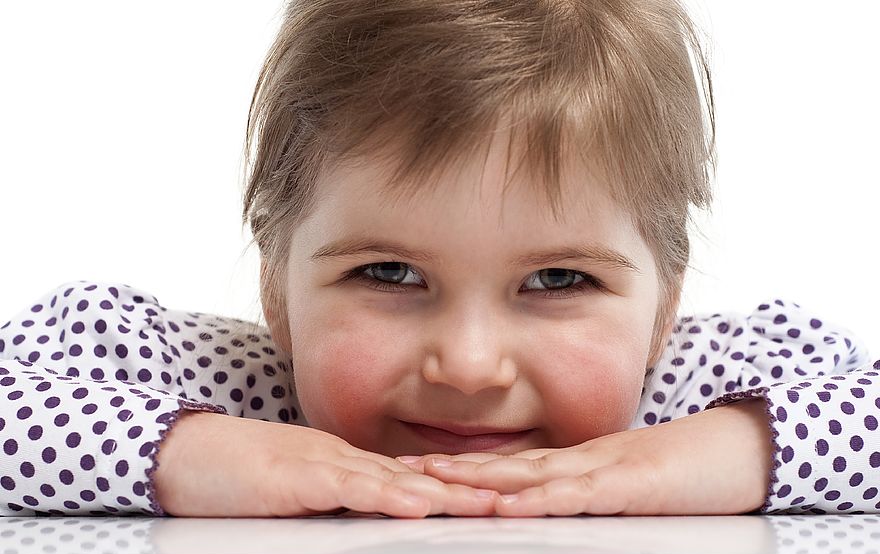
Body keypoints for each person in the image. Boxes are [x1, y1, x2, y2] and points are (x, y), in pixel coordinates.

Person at [1, 0, 877, 519]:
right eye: (388, 274)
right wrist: (185, 455)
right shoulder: (222, 388)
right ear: (276, 289)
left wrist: (729, 452)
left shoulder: (702, 384)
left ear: (663, 308)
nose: (466, 365)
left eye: (558, 279)